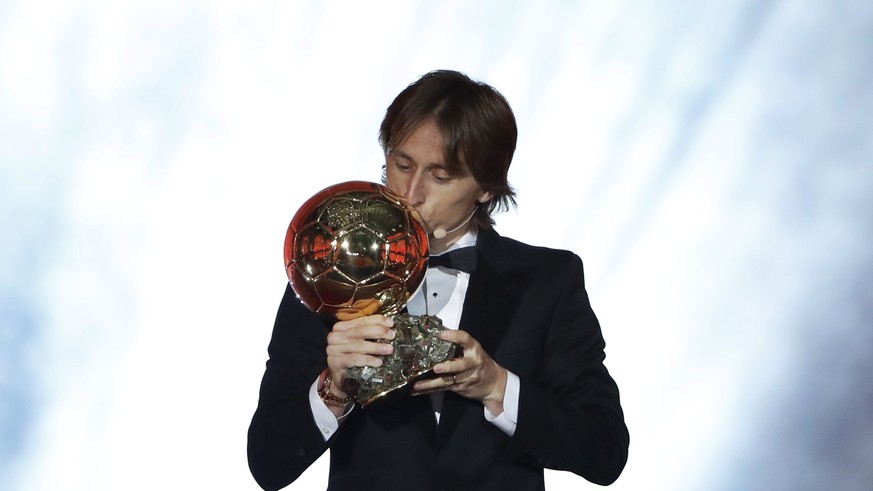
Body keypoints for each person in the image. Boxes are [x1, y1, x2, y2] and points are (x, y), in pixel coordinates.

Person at [248, 70, 629, 491]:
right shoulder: (325, 275)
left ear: (485, 186)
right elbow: (268, 463)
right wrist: (334, 388)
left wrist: (497, 386)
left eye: (440, 176)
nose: (410, 194)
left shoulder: (548, 281)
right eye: (401, 164)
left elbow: (605, 450)